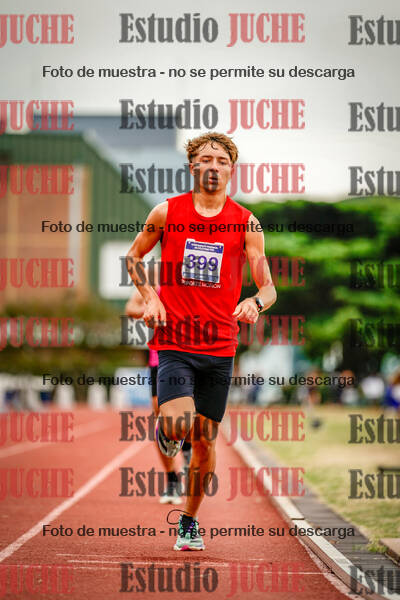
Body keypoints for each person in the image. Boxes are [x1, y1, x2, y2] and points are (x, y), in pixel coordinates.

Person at [126, 131, 277, 550]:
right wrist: (151, 297)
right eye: (206, 159)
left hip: (220, 348)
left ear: (232, 169)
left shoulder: (246, 222)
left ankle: (189, 521)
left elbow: (268, 287)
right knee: (177, 423)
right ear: (193, 166)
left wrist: (255, 303)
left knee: (206, 442)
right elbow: (134, 256)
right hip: (175, 341)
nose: (213, 166)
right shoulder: (166, 212)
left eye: (222, 160)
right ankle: (168, 432)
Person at [125, 270, 192, 505]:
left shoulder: (196, 273)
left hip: (194, 357)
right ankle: (172, 480)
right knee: (161, 419)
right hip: (161, 358)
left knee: (191, 415)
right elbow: (130, 307)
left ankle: (188, 446)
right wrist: (152, 306)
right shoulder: (157, 277)